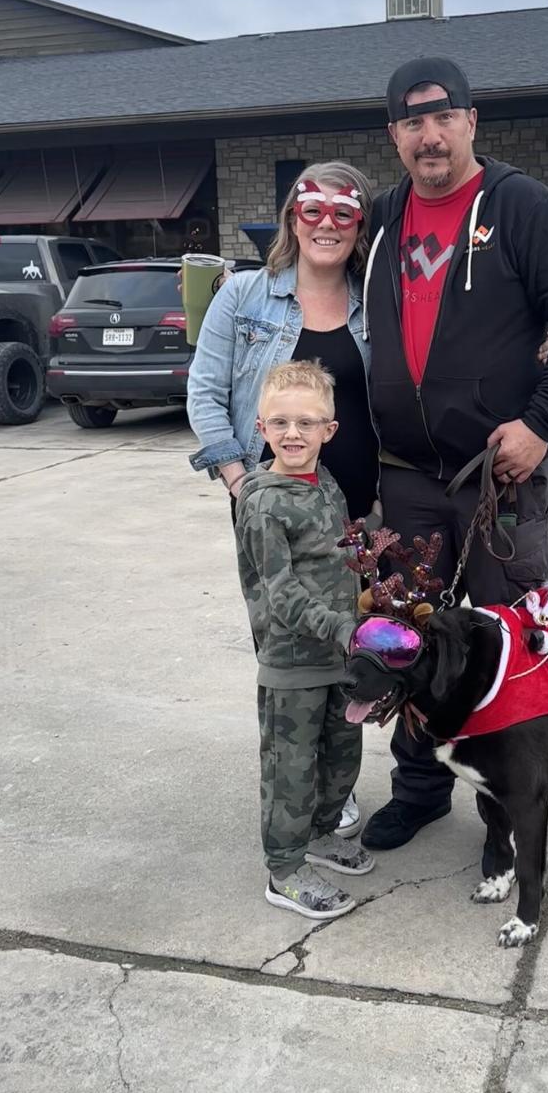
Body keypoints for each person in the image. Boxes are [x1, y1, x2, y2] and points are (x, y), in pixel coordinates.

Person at [360, 56, 548, 857]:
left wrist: (540, 423)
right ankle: (421, 791)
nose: (429, 136)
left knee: (518, 643)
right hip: (407, 478)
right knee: (406, 639)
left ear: (471, 121)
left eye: (443, 117)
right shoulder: (383, 218)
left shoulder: (520, 205)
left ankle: (513, 806)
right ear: (394, 134)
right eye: (412, 122)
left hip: (502, 478)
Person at [187, 161, 377, 837]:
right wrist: (243, 483)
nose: (327, 224)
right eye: (312, 209)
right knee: (291, 658)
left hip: (357, 513)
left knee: (349, 655)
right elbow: (204, 391)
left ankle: (332, 790)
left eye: (343, 212)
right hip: (273, 511)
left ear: (360, 225)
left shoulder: (374, 302)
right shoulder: (244, 296)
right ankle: (293, 799)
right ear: (292, 218)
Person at [234, 360, 374, 918]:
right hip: (293, 662)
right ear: (261, 428)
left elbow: (340, 549)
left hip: (341, 657)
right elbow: (281, 593)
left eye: (306, 423)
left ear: (328, 430)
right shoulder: (262, 502)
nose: (293, 434)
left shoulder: (327, 482)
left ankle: (320, 833)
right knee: (290, 771)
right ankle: (285, 869)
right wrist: (343, 627)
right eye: (280, 423)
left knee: (341, 757)